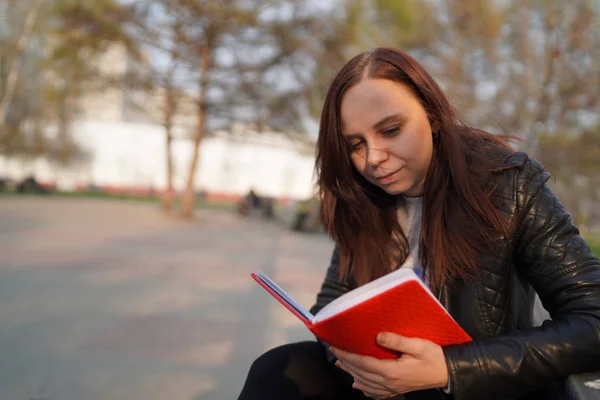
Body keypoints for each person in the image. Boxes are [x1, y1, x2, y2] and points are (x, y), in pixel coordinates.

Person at [237, 48, 600, 400]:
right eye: (356, 144)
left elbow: (593, 317)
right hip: (380, 384)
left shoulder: (507, 185)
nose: (374, 159)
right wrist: (365, 370)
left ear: (433, 115)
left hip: (475, 384)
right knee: (275, 371)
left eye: (391, 130)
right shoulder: (361, 198)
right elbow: (333, 302)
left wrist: (448, 369)